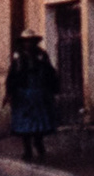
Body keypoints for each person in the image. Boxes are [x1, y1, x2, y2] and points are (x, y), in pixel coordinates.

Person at [5, 30, 59, 164]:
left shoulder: (41, 55)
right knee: (24, 121)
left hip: (39, 91)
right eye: (26, 41)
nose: (28, 44)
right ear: (23, 43)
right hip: (23, 92)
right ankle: (27, 148)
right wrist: (10, 92)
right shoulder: (18, 57)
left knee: (40, 120)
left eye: (31, 41)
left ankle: (39, 143)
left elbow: (50, 72)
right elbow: (12, 75)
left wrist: (53, 88)